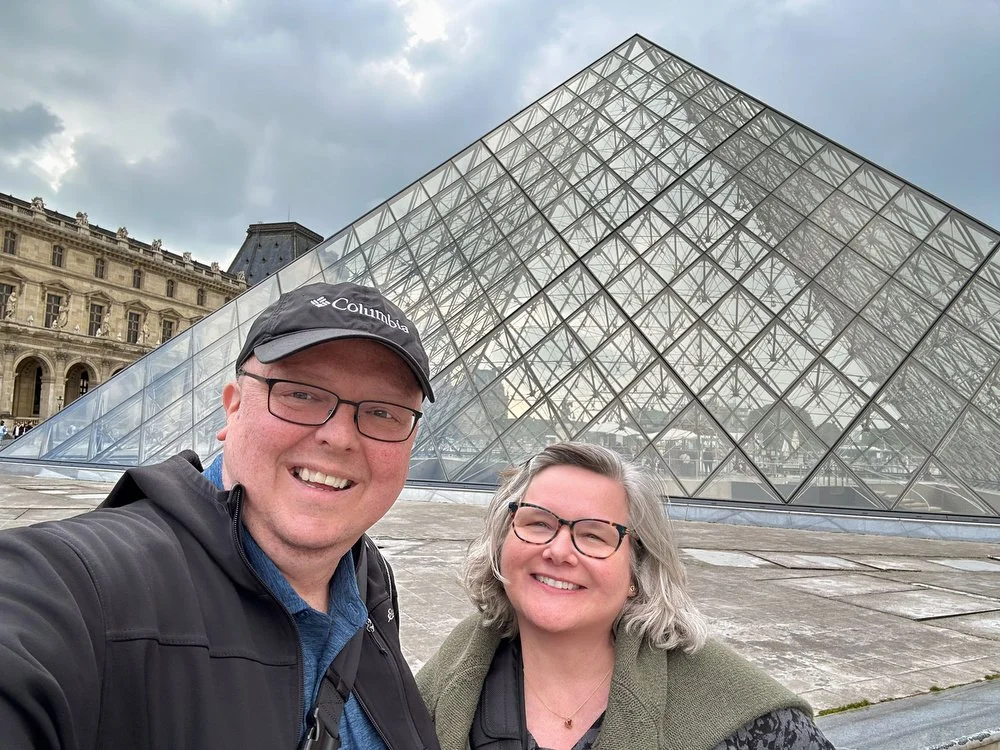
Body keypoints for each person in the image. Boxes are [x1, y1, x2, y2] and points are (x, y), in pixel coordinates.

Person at [0, 281, 442, 750]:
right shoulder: (75, 584)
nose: (340, 437)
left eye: (382, 412)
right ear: (232, 409)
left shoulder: (369, 578)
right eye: (301, 394)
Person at [417, 442, 834, 750]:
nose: (559, 551)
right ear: (502, 543)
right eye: (538, 523)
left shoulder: (753, 721)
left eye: (594, 535)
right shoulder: (437, 683)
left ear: (636, 570)